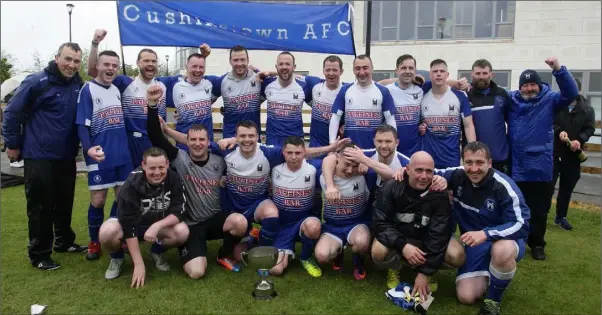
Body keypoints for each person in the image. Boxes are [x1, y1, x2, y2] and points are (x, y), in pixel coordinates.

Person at [145, 84, 248, 277]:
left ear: (208, 141)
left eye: (202, 140)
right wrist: (152, 105)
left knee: (239, 222)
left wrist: (235, 140)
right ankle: (165, 248)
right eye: (193, 140)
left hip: (214, 220)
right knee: (196, 273)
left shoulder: (220, 160)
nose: (197, 143)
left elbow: (247, 148)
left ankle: (223, 254)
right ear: (187, 141)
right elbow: (155, 137)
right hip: (190, 225)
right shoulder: (179, 158)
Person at [2, 42, 87, 270]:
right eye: (67, 59)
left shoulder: (77, 83)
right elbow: (11, 112)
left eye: (76, 61)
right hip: (38, 155)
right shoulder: (37, 81)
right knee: (41, 205)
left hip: (66, 156)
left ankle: (64, 242)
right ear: (57, 57)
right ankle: (39, 254)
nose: (72, 65)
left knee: (64, 201)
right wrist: (12, 144)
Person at [216, 121, 348, 257]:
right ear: (236, 137)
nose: (247, 140)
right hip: (234, 207)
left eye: (251, 136)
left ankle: (265, 250)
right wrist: (227, 141)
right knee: (238, 254)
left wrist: (330, 149)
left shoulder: (267, 153)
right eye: (242, 136)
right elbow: (200, 147)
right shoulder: (228, 149)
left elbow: (303, 152)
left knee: (272, 213)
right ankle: (243, 242)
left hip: (259, 205)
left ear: (258, 137)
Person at [86, 29, 209, 167]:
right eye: (146, 61)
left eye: (153, 61)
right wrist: (95, 43)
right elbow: (93, 72)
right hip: (133, 143)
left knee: (159, 182)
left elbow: (195, 75)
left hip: (157, 141)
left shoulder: (165, 84)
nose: (150, 64)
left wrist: (203, 56)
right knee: (133, 184)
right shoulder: (124, 82)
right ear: (138, 62)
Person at [435, 141, 530, 315]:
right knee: (466, 297)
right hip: (475, 245)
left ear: (490, 163)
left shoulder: (504, 186)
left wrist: (486, 234)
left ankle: (493, 300)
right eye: (469, 162)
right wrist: (435, 178)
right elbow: (422, 171)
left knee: (502, 250)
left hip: (504, 240)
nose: (474, 168)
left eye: (479, 162)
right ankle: (491, 273)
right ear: (463, 162)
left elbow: (522, 224)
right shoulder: (457, 175)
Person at [507, 57, 579, 260]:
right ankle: (517, 240)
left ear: (539, 85)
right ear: (520, 87)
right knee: (516, 207)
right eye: (525, 85)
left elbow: (571, 93)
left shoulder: (550, 100)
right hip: (517, 165)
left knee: (539, 209)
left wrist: (558, 69)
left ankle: (537, 243)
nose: (529, 89)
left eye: (533, 85)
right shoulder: (512, 100)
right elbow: (489, 95)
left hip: (541, 166)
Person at [371, 151, 465, 298]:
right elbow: (380, 223)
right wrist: (403, 246)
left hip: (426, 239)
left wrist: (425, 272)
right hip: (401, 238)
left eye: (429, 171)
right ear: (407, 169)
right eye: (419, 170)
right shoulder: (391, 187)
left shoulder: (439, 193)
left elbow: (439, 234)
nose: (424, 176)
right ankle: (395, 267)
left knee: (457, 255)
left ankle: (431, 271)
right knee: (378, 250)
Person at [97, 147, 189, 286]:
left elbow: (179, 211)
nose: (157, 172)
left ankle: (156, 252)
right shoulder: (132, 183)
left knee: (182, 232)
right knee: (106, 232)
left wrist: (157, 226)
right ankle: (117, 258)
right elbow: (128, 224)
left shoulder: (174, 178)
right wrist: (139, 264)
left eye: (161, 167)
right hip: (131, 225)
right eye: (152, 168)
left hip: (155, 226)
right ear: (143, 165)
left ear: (167, 164)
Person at [76, 50, 133, 261]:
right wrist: (88, 148)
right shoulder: (88, 89)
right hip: (99, 155)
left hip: (121, 154)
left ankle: (113, 234)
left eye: (114, 65)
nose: (110, 68)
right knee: (98, 200)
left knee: (122, 199)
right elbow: (82, 123)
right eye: (106, 64)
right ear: (97, 66)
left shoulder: (118, 89)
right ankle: (94, 242)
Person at [269, 136, 323, 277]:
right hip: (282, 225)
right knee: (276, 270)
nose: (294, 157)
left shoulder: (313, 168)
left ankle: (305, 257)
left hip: (304, 221)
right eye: (290, 153)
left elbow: (333, 162)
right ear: (283, 153)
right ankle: (284, 247)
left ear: (304, 152)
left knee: (313, 226)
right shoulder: (274, 168)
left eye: (298, 153)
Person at [552, 78, 595, 230]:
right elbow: (550, 122)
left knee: (566, 188)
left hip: (572, 155)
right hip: (554, 152)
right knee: (547, 186)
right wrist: (559, 131)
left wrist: (579, 140)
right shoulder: (556, 106)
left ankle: (560, 217)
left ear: (577, 90)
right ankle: (541, 215)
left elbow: (590, 129)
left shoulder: (587, 109)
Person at [329, 54, 397, 150]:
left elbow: (390, 120)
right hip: (350, 150)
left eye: (365, 68)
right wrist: (332, 144)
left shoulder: (383, 91)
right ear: (353, 70)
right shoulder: (345, 90)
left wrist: (393, 146)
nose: (361, 72)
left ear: (372, 68)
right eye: (357, 68)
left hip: (375, 151)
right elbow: (335, 118)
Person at [421, 59, 476, 169]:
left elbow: (468, 125)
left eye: (442, 71)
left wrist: (473, 149)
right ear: (430, 75)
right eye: (435, 71)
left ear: (447, 75)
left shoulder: (460, 95)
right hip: (428, 158)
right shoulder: (421, 93)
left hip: (451, 157)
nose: (438, 74)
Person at [464, 59, 512, 175]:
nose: (481, 77)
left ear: (491, 74)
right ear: (472, 74)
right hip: (474, 160)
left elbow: (512, 121)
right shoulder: (465, 95)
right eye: (478, 73)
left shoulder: (502, 94)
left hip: (500, 157)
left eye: (484, 73)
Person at [257, 52, 312, 146]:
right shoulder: (267, 84)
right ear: (276, 66)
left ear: (294, 67)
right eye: (281, 64)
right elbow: (253, 104)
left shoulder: (303, 86)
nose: (284, 67)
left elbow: (318, 108)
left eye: (287, 64)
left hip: (295, 141)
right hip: (273, 139)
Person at [208, 45, 263, 140]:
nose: (239, 63)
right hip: (230, 137)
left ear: (248, 60)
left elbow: (281, 80)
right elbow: (204, 102)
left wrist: (295, 76)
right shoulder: (222, 81)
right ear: (230, 61)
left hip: (252, 138)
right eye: (236, 60)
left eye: (242, 59)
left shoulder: (259, 79)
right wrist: (183, 112)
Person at [384, 54, 424, 156]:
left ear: (415, 71)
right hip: (391, 149)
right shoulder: (386, 90)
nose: (407, 71)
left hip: (415, 150)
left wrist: (423, 124)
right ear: (396, 70)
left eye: (411, 68)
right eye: (403, 68)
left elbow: (441, 84)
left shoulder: (420, 90)